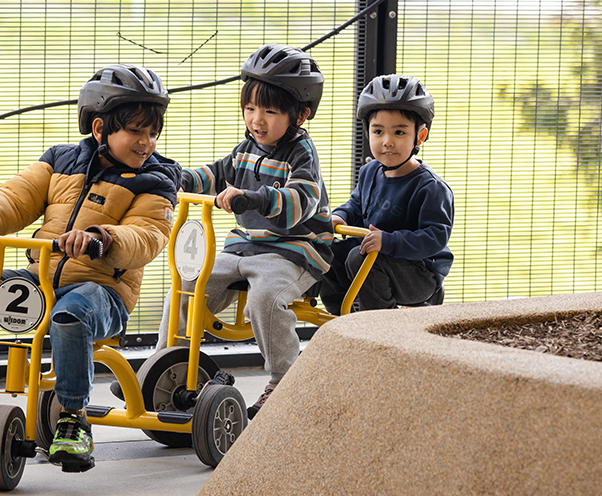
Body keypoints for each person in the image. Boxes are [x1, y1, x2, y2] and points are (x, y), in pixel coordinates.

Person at [0, 64, 180, 472]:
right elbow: (13, 198)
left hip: (103, 293)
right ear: (100, 129)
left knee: (70, 313)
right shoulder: (61, 161)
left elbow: (147, 235)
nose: (146, 142)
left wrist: (102, 239)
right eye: (136, 130)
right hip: (40, 279)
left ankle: (73, 420)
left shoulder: (157, 178)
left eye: (153, 132)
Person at [157, 44, 333, 420]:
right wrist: (176, 179)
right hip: (245, 249)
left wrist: (253, 198)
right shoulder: (246, 148)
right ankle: (163, 365)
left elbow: (300, 200)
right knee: (187, 284)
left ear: (300, 114)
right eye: (250, 108)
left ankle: (284, 380)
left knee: (266, 298)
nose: (257, 120)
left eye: (270, 111)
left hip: (295, 251)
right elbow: (215, 175)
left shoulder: (302, 154)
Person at [318, 74, 453, 315]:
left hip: (419, 273)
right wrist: (341, 216)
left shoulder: (430, 187)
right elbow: (356, 204)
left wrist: (389, 241)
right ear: (368, 132)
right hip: (374, 257)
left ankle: (381, 323)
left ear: (419, 136)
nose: (387, 141)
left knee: (360, 260)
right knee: (327, 253)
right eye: (378, 131)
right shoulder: (370, 171)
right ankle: (344, 319)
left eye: (399, 133)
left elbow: (435, 237)